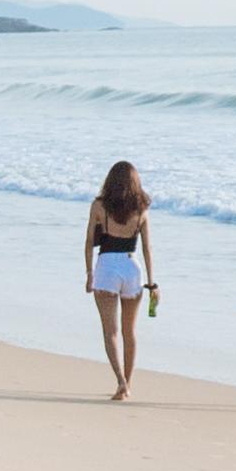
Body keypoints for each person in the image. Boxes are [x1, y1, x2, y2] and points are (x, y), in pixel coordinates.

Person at [80, 159, 157, 400]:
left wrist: (89, 273)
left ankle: (120, 381)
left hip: (107, 268)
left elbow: (88, 243)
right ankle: (128, 384)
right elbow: (147, 249)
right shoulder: (142, 208)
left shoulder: (99, 206)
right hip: (132, 267)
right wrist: (152, 282)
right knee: (129, 332)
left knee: (110, 331)